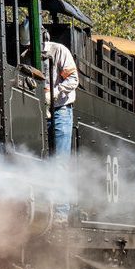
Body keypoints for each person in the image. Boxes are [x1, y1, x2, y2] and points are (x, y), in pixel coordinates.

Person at [43, 27, 78, 222]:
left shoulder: (58, 51)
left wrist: (55, 92)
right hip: (40, 110)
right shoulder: (26, 54)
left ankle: (61, 213)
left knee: (60, 161)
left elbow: (73, 79)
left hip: (60, 110)